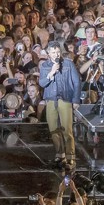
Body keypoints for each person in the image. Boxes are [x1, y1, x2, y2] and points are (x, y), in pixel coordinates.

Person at [37, 41, 83, 169]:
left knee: (67, 129)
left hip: (65, 99)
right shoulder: (45, 66)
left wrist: (76, 100)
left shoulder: (68, 63)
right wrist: (51, 73)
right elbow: (42, 83)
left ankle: (70, 157)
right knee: (53, 129)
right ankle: (60, 154)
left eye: (57, 52)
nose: (56, 54)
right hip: (51, 99)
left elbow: (77, 82)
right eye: (53, 52)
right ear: (48, 53)